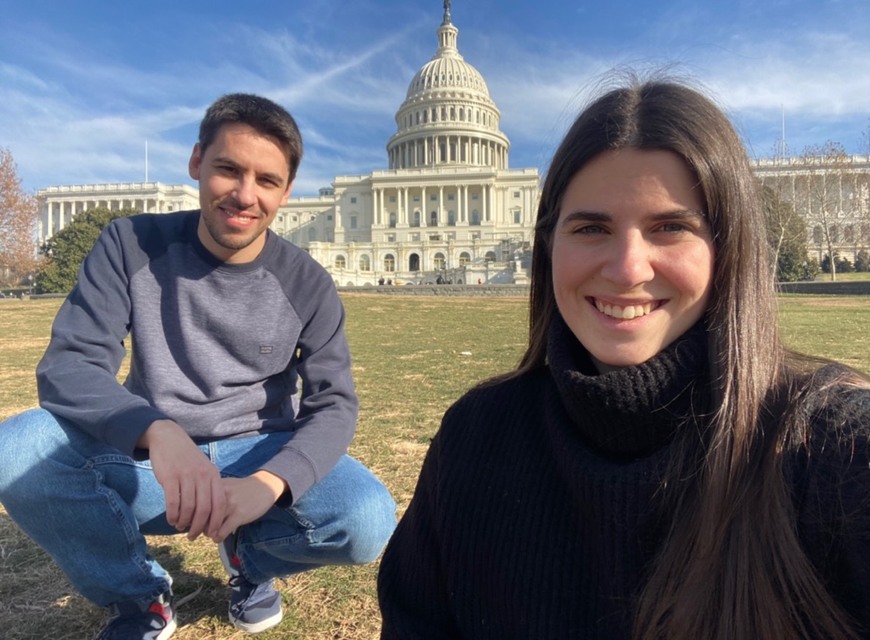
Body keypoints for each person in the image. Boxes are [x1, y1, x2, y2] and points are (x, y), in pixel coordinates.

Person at [377, 75, 870, 639]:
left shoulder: (828, 450)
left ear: (728, 244)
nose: (628, 269)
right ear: (549, 244)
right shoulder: (472, 438)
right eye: (591, 227)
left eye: (669, 227)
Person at [0, 93, 396, 640]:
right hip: (155, 464)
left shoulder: (307, 281)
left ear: (286, 191)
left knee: (367, 518)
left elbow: (335, 403)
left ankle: (248, 561)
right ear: (196, 163)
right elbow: (72, 363)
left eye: (267, 181)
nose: (244, 195)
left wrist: (271, 482)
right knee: (17, 449)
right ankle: (140, 596)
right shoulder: (130, 244)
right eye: (228, 170)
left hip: (258, 449)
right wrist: (157, 432)